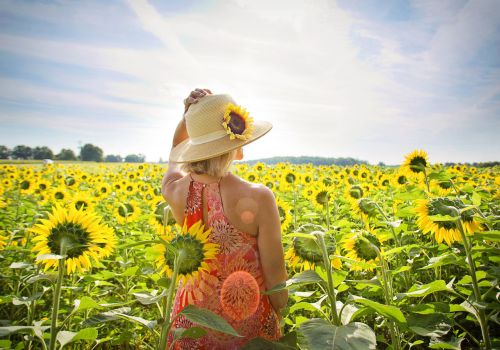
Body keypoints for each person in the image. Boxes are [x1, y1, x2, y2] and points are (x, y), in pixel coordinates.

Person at [161, 88, 288, 349]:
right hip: (246, 326)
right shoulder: (260, 197)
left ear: (193, 146)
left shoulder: (175, 191)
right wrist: (280, 317)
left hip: (190, 325)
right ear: (236, 146)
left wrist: (188, 119)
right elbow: (276, 275)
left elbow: (174, 155)